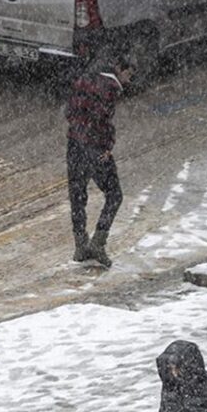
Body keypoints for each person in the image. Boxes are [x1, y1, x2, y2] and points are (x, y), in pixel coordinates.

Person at [65, 58, 134, 268]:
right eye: (129, 75)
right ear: (119, 68)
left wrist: (78, 132)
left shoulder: (85, 80)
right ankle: (98, 243)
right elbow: (101, 120)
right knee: (114, 194)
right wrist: (107, 146)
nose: (129, 81)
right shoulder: (110, 88)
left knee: (77, 195)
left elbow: (69, 111)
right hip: (94, 148)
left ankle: (80, 245)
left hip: (74, 145)